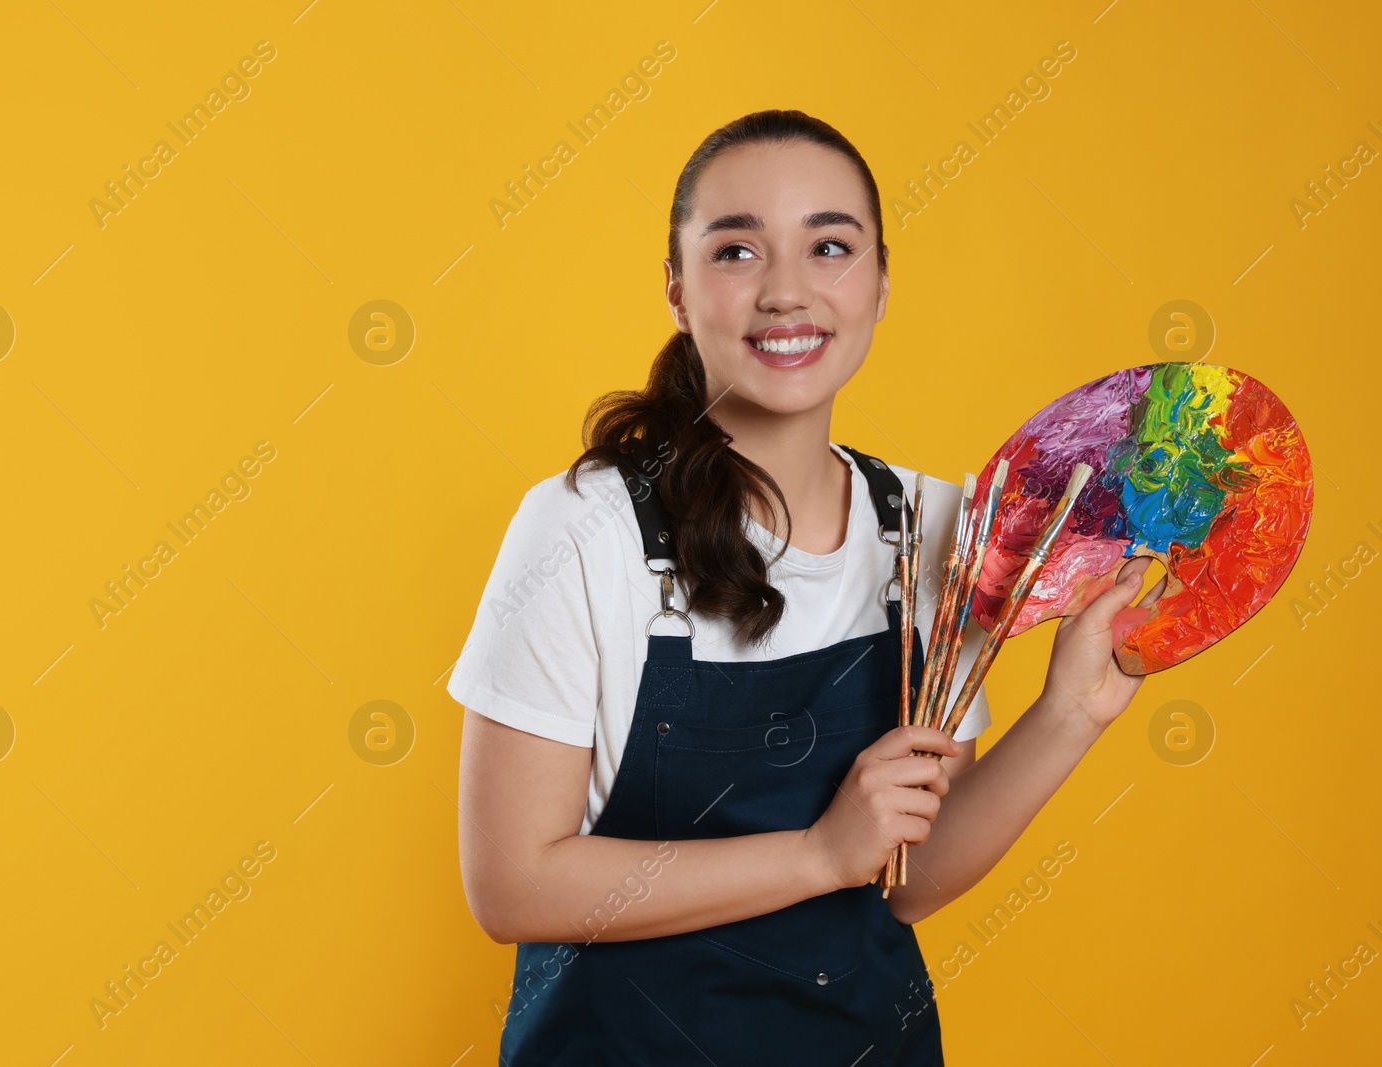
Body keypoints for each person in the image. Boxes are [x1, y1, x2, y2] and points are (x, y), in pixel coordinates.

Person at [448, 109, 1160, 1065]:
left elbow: (905, 879)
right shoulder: (584, 530)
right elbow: (513, 887)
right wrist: (818, 854)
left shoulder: (938, 527)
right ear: (676, 288)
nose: (787, 292)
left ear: (879, 284)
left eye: (830, 245)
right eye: (737, 250)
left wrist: (1070, 710)